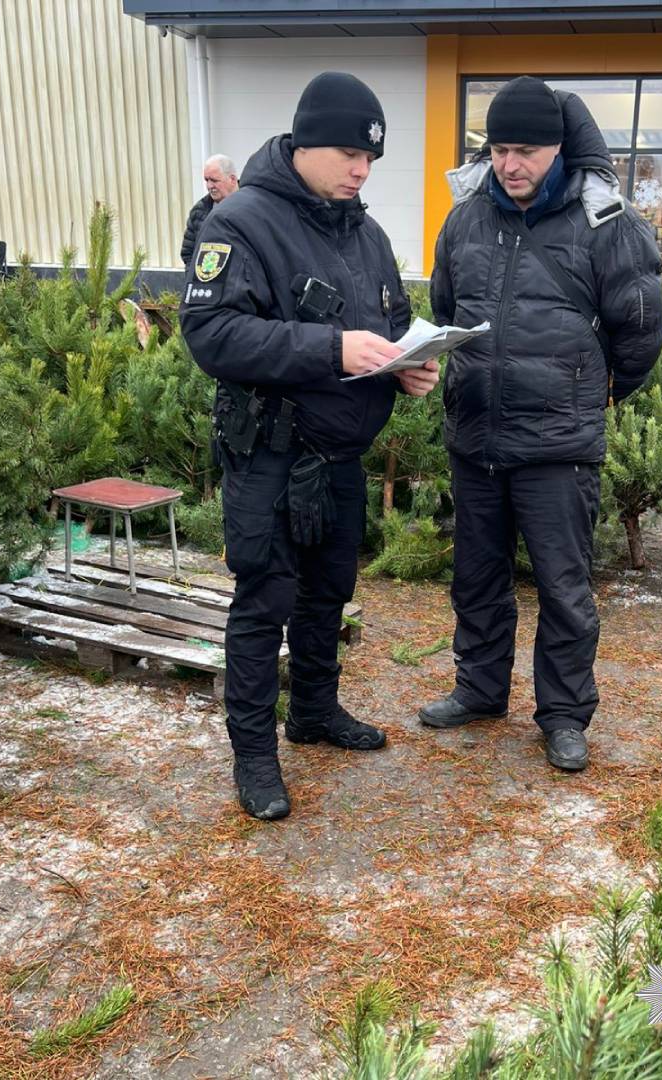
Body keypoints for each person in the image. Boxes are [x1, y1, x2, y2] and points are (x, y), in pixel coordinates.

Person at [179, 72, 439, 820]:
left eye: (371, 160)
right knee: (265, 604)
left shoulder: (364, 229)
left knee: (329, 593)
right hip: (270, 455)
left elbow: (385, 325)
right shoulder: (242, 221)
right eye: (351, 154)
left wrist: (403, 368)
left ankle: (315, 713)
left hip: (338, 458)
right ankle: (254, 757)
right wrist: (331, 349)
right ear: (305, 141)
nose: (362, 171)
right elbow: (212, 333)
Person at [419, 77, 662, 772]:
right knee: (475, 576)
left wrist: (591, 395)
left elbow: (641, 329)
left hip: (558, 448)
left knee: (562, 587)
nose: (509, 165)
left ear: (557, 149)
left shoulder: (606, 223)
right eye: (499, 150)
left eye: (524, 150)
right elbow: (447, 304)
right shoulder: (465, 218)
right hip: (476, 437)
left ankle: (562, 715)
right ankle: (478, 688)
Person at [180, 154, 239, 265]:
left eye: (214, 180)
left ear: (232, 179)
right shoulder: (198, 212)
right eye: (206, 180)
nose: (209, 186)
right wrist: (194, 279)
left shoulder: (252, 209)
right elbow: (188, 253)